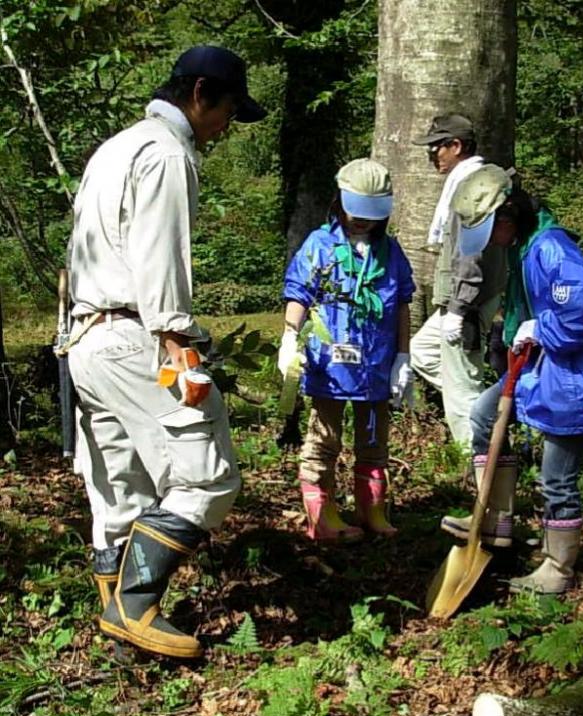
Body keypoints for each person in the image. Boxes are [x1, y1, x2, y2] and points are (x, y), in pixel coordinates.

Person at [67, 46, 266, 658]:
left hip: (86, 336)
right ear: (201, 93)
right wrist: (176, 340)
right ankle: (133, 607)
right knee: (208, 476)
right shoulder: (167, 154)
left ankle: (118, 628)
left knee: (119, 485)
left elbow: (82, 252)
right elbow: (159, 256)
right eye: (229, 109)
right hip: (138, 336)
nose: (227, 127)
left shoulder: (116, 147)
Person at [440, 164, 583, 594]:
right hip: (543, 371)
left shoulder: (550, 250)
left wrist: (544, 329)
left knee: (556, 477)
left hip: (576, 380)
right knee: (485, 415)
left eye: (489, 231)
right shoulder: (524, 247)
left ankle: (558, 568)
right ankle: (495, 517)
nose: (488, 244)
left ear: (508, 218)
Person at [278, 158, 415, 542]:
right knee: (325, 437)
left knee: (374, 437)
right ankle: (322, 515)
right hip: (329, 365)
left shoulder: (390, 253)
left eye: (371, 215)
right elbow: (298, 294)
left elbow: (402, 303)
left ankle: (371, 508)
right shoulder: (320, 245)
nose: (361, 221)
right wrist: (290, 337)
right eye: (356, 212)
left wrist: (403, 357)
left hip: (375, 364)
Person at [409, 114, 506, 449]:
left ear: (456, 146)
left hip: (466, 300)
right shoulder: (466, 180)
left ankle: (476, 462)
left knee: (462, 389)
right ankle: (487, 411)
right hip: (458, 298)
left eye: (436, 147)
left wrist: (459, 308)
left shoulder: (473, 186)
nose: (431, 155)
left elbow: (472, 253)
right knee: (422, 352)